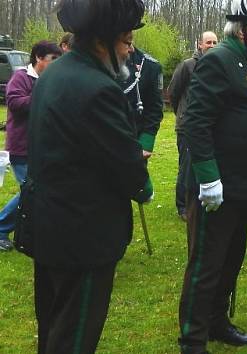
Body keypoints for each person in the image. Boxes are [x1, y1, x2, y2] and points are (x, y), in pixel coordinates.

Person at [20, 0, 153, 352]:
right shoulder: (98, 88)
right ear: (101, 41)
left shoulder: (55, 74)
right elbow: (127, 166)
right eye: (126, 41)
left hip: (49, 227)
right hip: (83, 234)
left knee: (52, 327)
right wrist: (141, 179)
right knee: (75, 336)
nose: (130, 49)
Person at [177, 1, 247, 352]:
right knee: (207, 264)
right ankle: (192, 337)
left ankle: (216, 322)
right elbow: (196, 120)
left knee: (231, 259)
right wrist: (208, 178)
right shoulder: (218, 60)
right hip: (217, 188)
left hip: (243, 186)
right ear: (242, 29)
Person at [0, 41, 61, 252]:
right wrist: (43, 96)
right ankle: (1, 227)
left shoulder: (51, 80)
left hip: (43, 147)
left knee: (36, 190)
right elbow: (16, 103)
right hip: (22, 147)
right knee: (32, 191)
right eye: (53, 59)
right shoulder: (20, 78)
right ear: (38, 57)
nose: (56, 64)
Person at [168, 31, 218, 221]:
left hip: (208, 126)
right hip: (186, 126)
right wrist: (182, 114)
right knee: (186, 166)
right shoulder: (188, 65)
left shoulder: (216, 67)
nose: (211, 45)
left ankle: (200, 200)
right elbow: (173, 92)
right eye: (208, 42)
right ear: (200, 44)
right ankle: (182, 206)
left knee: (202, 163)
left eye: (215, 42)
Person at [119, 45, 164, 160]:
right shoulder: (93, 63)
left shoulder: (149, 66)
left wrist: (146, 143)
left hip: (135, 138)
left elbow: (155, 108)